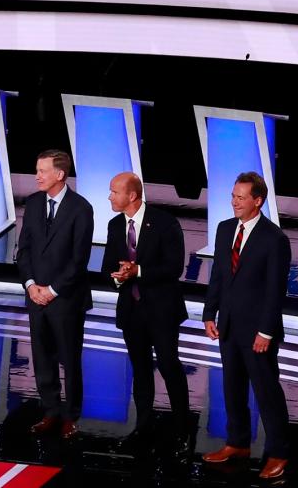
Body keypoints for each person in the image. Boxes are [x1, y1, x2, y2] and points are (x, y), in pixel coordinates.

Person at [201, 172, 292, 481]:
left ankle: (278, 452)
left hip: (257, 332)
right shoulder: (225, 229)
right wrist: (209, 313)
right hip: (227, 325)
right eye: (233, 196)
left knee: (267, 393)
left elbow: (274, 290)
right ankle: (237, 443)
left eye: (241, 198)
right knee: (232, 389)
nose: (234, 202)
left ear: (258, 201)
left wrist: (265, 332)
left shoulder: (274, 238)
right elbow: (219, 276)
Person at [101, 171, 192, 454]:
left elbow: (175, 268)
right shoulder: (115, 225)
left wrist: (137, 271)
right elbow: (107, 267)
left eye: (114, 192)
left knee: (168, 366)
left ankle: (183, 429)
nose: (109, 197)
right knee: (140, 371)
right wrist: (118, 276)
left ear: (132, 195)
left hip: (162, 310)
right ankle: (143, 427)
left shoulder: (165, 223)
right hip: (132, 310)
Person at [15, 149, 93, 439]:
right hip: (36, 296)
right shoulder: (34, 203)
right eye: (37, 169)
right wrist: (31, 285)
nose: (37, 175)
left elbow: (79, 259)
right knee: (42, 357)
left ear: (60, 174)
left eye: (42, 170)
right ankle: (50, 411)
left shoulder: (81, 208)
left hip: (66, 299)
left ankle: (71, 416)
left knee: (69, 359)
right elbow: (23, 250)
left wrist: (53, 289)